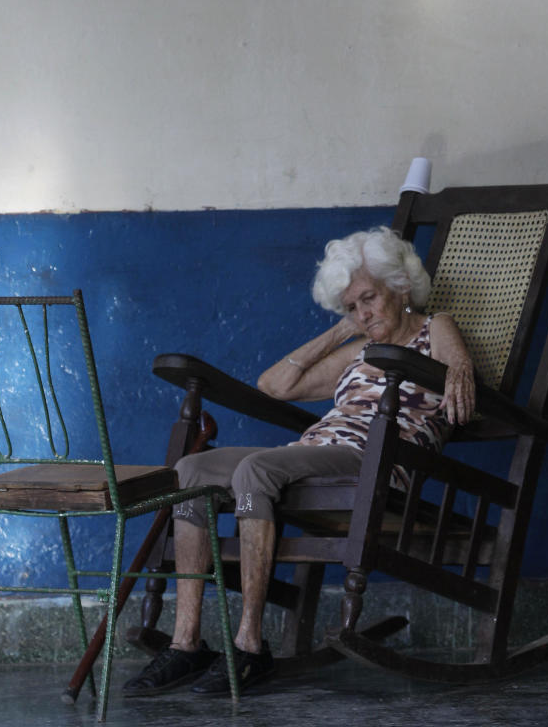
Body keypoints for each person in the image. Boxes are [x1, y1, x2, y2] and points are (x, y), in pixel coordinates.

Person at [123, 226, 475, 697]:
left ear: (401, 286)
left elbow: (458, 374)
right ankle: (186, 643)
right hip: (314, 454)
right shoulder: (359, 350)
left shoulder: (437, 327)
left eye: (368, 299)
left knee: (255, 471)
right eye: (351, 306)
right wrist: (341, 330)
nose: (363, 313)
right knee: (191, 471)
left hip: (377, 460)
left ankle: (249, 645)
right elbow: (274, 386)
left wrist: (458, 375)